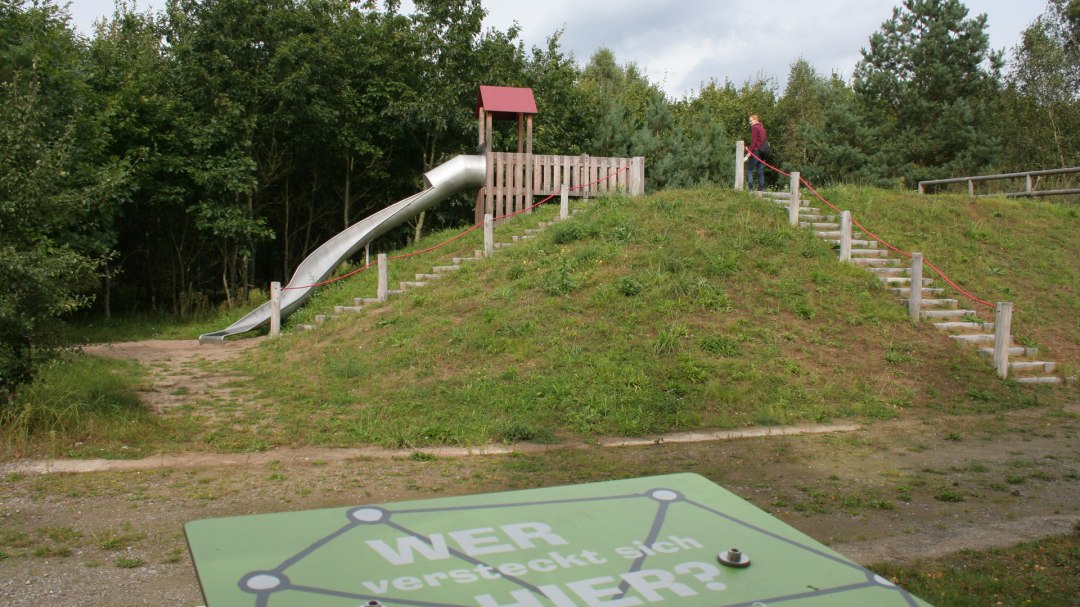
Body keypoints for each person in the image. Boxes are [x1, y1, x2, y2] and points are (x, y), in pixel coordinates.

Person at [744, 114, 768, 192]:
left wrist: (749, 152)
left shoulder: (754, 127)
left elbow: (754, 141)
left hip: (756, 151)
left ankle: (750, 188)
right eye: (749, 121)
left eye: (751, 120)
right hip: (762, 152)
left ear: (755, 120)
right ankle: (761, 189)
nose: (750, 122)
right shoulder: (761, 128)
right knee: (760, 170)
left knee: (749, 169)